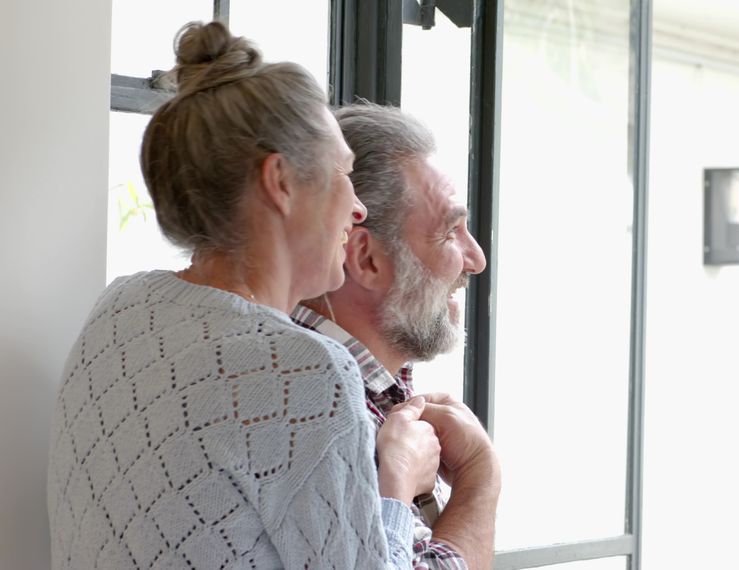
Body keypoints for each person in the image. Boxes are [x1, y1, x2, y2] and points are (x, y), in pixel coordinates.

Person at [47, 22, 439, 570]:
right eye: (344, 174)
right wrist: (397, 483)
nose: (358, 208)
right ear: (279, 181)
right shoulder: (306, 371)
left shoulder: (118, 310)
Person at [291, 103, 500, 570]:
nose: (476, 258)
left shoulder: (372, 392)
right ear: (366, 259)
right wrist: (478, 480)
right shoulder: (322, 408)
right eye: (450, 231)